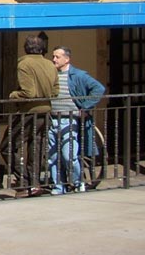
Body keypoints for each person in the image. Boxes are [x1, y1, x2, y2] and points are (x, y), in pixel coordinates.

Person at [0, 33, 58, 194]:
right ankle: (34, 183)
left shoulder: (24, 64)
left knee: (7, 146)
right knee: (36, 147)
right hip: (46, 112)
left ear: (26, 48)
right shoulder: (50, 65)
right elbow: (55, 92)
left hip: (29, 112)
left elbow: (29, 92)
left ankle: (24, 179)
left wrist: (13, 95)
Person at [48, 46, 106, 195]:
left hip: (70, 120)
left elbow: (98, 89)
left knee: (69, 155)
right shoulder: (52, 74)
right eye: (53, 56)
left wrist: (85, 107)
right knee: (53, 156)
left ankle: (77, 182)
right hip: (52, 119)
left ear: (67, 59)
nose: (54, 59)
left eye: (57, 57)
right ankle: (58, 186)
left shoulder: (78, 75)